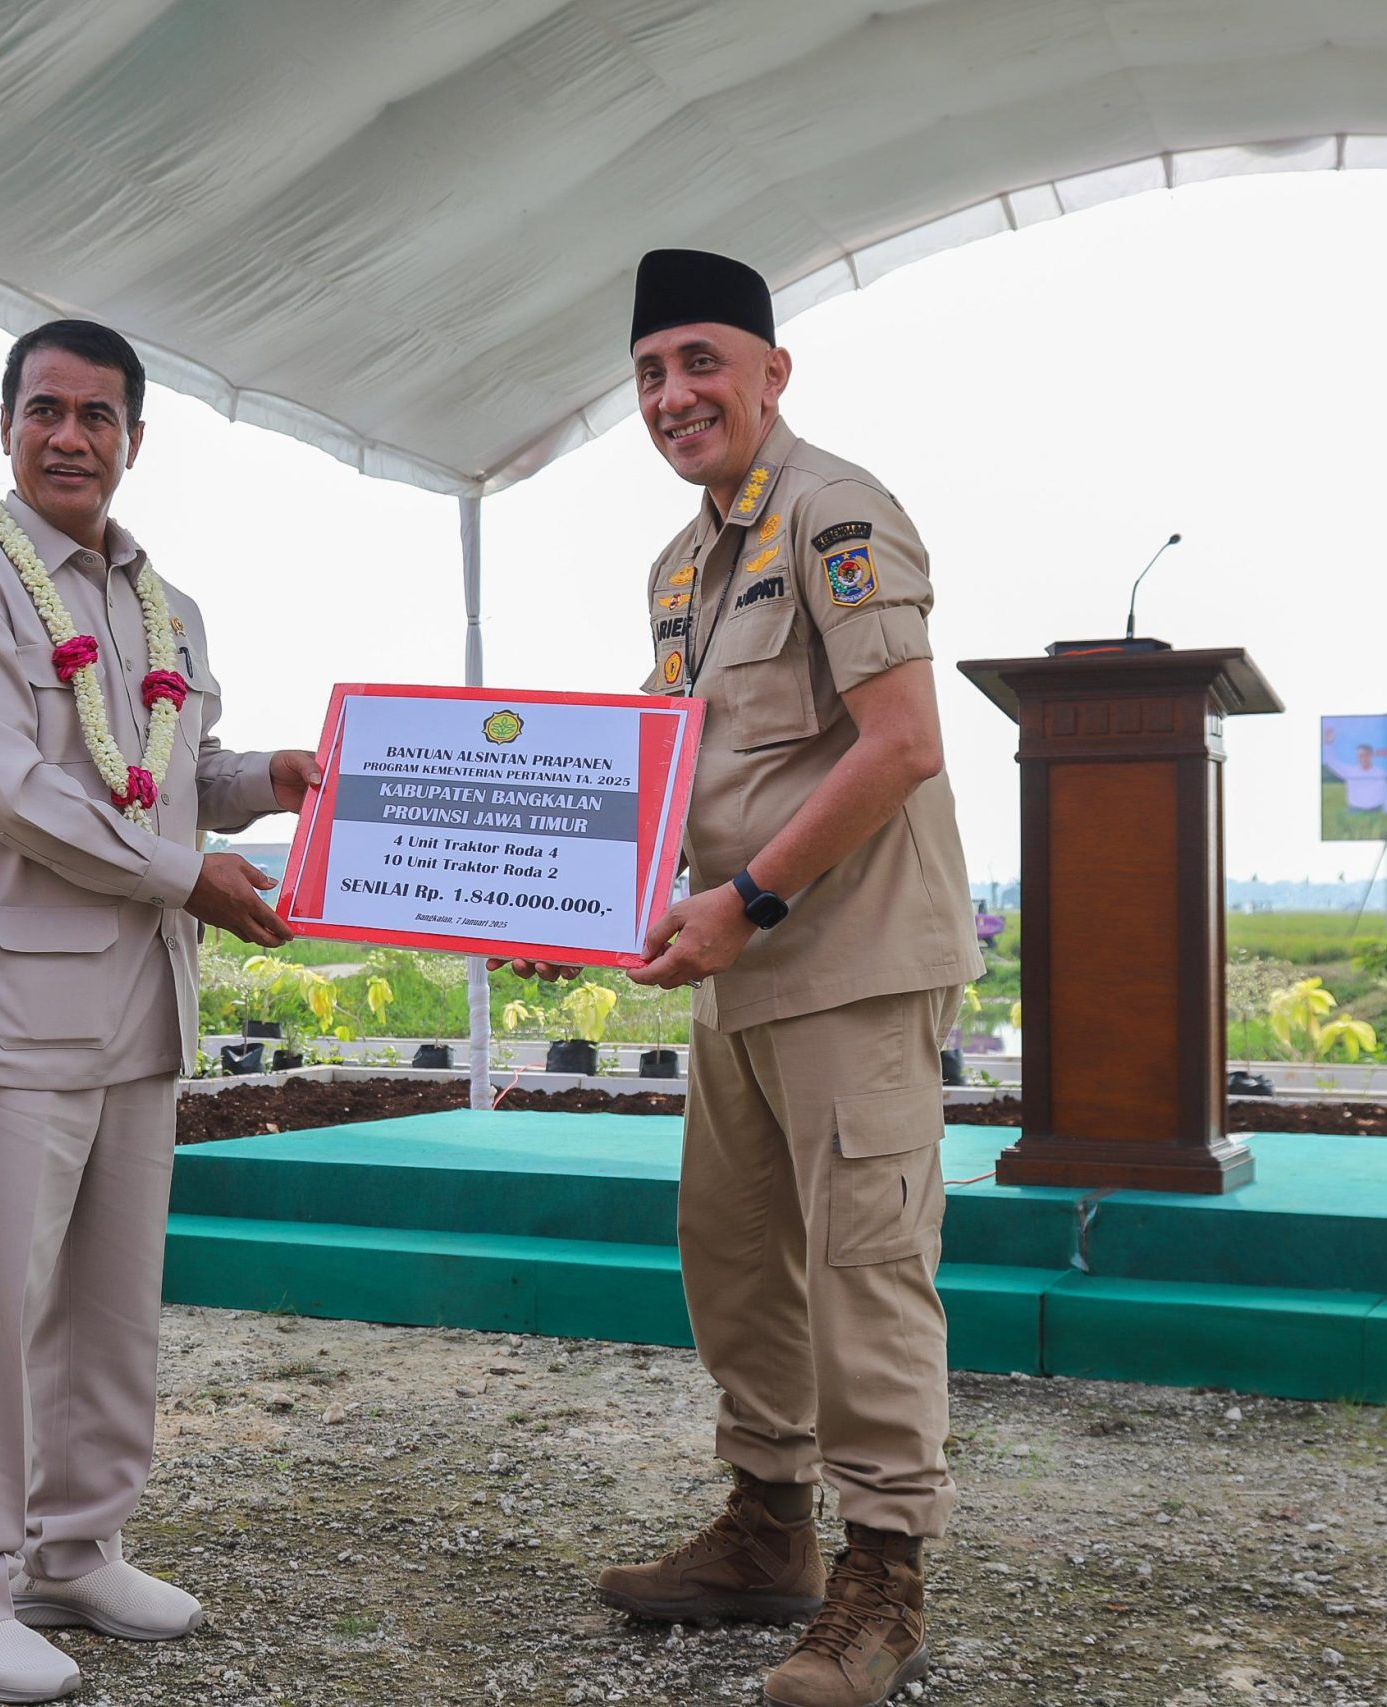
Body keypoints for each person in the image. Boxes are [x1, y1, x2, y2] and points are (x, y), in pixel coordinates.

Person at [519, 251, 983, 1707]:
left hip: (844, 957)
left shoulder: (837, 513)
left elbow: (901, 742)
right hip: (739, 962)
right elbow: (672, 769)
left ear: (773, 373)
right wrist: (564, 895)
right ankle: (768, 1525)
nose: (673, 395)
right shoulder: (682, 563)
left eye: (701, 362)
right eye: (650, 372)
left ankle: (884, 1571)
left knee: (863, 1268)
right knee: (732, 1253)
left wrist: (750, 898)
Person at [0, 319, 320, 1703]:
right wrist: (192, 875)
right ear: (7, 425)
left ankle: (74, 1549)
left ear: (135, 436)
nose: (70, 437)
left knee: (109, 1304)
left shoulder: (164, 606)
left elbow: (164, 770)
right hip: (8, 1008)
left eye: (98, 415)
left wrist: (264, 779)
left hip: (139, 1003)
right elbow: (12, 789)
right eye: (46, 410)